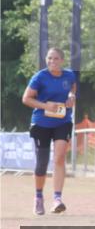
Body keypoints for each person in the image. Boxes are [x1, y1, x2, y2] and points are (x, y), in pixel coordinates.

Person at [22, 47, 77, 215]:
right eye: (49, 58)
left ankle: (57, 199)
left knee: (60, 157)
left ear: (62, 60)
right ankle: (38, 198)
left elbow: (72, 89)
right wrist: (46, 106)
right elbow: (26, 99)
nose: (52, 61)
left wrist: (71, 97)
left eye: (55, 58)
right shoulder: (40, 77)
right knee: (42, 163)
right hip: (41, 123)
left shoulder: (69, 75)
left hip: (62, 121)